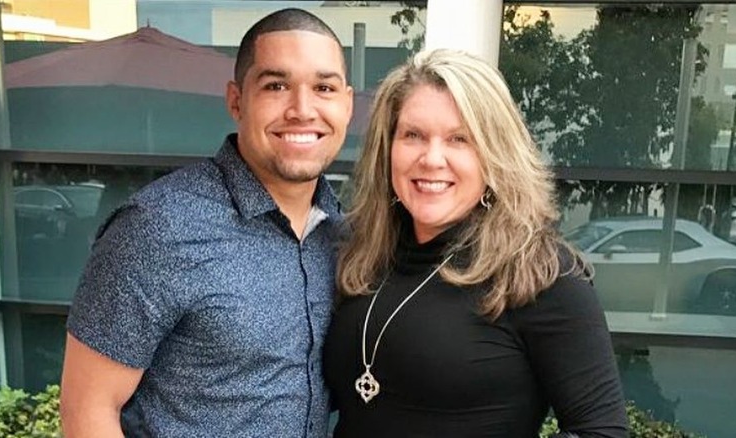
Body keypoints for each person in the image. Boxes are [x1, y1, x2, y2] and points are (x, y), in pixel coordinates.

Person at [60, 8, 353, 437]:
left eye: (323, 88)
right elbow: (87, 411)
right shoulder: (158, 228)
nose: (302, 109)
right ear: (237, 100)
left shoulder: (340, 234)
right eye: (276, 85)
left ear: (345, 103)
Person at [323, 49, 628, 437]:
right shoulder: (356, 255)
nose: (432, 159)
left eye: (459, 139)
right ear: (388, 149)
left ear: (494, 155)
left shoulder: (541, 274)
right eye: (413, 135)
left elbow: (600, 431)